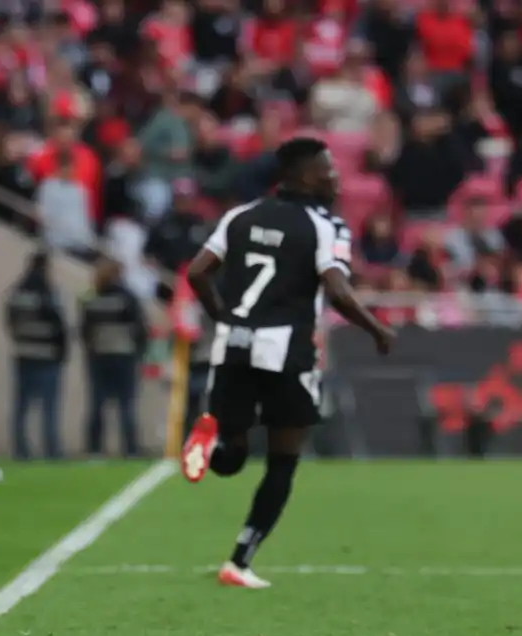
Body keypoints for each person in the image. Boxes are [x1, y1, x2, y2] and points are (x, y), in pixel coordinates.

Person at [180, 137, 395, 589]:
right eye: (327, 171)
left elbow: (198, 272)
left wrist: (224, 316)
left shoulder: (239, 216)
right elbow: (336, 289)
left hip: (233, 344)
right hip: (286, 351)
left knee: (233, 456)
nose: (335, 180)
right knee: (283, 459)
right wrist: (376, 329)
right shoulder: (323, 226)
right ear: (301, 175)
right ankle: (239, 561)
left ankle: (208, 441)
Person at [79, 256, 147, 456]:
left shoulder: (91, 298)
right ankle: (130, 449)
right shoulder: (127, 297)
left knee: (97, 404)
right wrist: (139, 352)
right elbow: (140, 329)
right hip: (124, 355)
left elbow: (85, 330)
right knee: (126, 404)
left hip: (99, 356)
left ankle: (94, 449)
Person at [5, 250, 67, 459]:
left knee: (21, 406)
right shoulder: (47, 292)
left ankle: (20, 448)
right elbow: (59, 325)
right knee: (49, 406)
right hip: (47, 355)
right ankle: (51, 449)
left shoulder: (16, 293)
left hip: (24, 353)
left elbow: (10, 321)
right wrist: (62, 351)